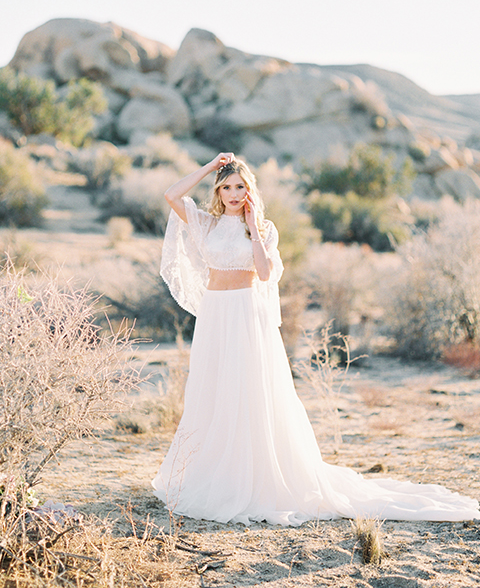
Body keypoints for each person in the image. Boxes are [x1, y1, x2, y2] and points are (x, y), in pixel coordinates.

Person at [152, 152, 480, 526]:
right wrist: (212, 165)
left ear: (250, 189)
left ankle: (253, 478)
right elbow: (171, 195)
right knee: (212, 389)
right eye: (225, 187)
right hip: (214, 315)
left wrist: (253, 227)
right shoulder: (206, 224)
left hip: (246, 314)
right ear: (218, 189)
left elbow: (262, 272)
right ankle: (211, 473)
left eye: (240, 186)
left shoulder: (264, 229)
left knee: (248, 390)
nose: (232, 193)